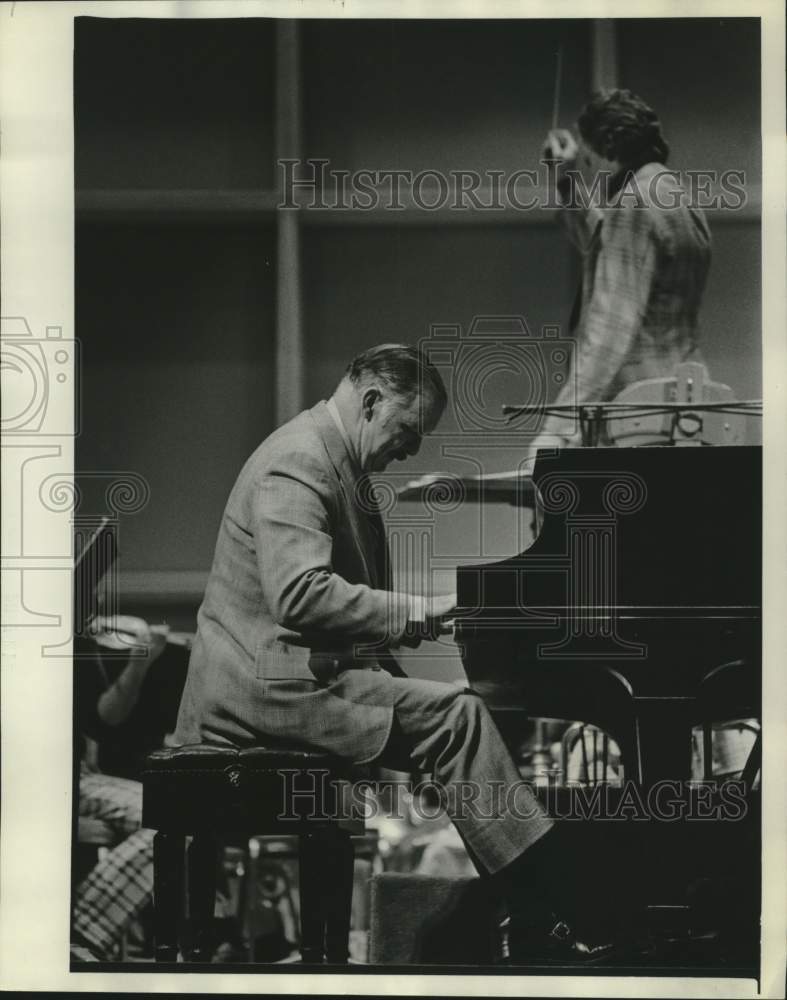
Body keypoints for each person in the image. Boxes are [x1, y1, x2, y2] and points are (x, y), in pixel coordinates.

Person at [174, 343, 626, 962]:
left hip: (292, 677)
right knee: (460, 718)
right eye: (408, 431)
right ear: (370, 401)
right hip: (262, 688)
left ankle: (540, 914)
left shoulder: (337, 465)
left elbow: (343, 617)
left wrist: (409, 659)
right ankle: (552, 913)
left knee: (454, 714)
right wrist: (422, 609)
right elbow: (299, 595)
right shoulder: (298, 462)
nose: (412, 450)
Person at [532, 88, 712, 451]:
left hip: (643, 417)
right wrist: (566, 181)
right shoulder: (673, 194)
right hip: (689, 404)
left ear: (607, 149)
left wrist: (558, 426)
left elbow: (610, 328)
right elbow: (608, 246)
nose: (585, 166)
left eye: (585, 158)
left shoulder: (632, 204)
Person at [71, 615, 168, 961]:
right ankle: (80, 934)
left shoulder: (81, 645)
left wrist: (140, 659)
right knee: (173, 815)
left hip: (79, 776)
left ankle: (82, 932)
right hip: (52, 779)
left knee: (178, 813)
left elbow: (103, 719)